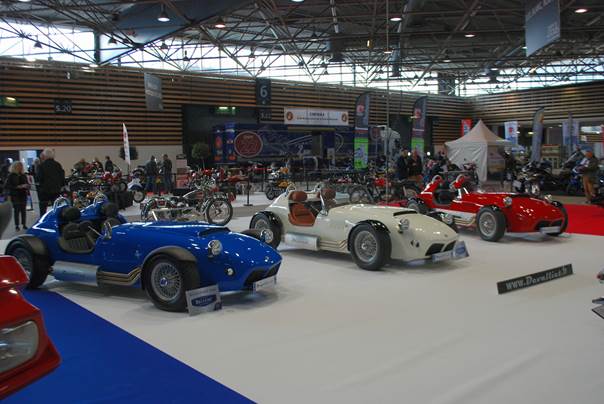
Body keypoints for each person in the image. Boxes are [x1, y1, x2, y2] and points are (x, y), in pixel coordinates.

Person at [37, 148, 65, 216]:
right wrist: (61, 186)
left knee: (43, 209)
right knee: (56, 208)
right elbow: (62, 177)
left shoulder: (41, 166)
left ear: (45, 156)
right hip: (56, 190)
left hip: (44, 190)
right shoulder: (58, 164)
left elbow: (39, 178)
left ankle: (43, 220)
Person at [5, 161, 30, 231]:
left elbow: (27, 183)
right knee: (17, 210)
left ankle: (24, 224)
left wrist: (27, 186)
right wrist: (17, 187)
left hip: (23, 194)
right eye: (19, 166)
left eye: (21, 166)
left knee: (23, 210)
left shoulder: (23, 175)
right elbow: (7, 186)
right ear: (15, 167)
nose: (20, 167)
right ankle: (17, 225)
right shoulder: (11, 175)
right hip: (15, 195)